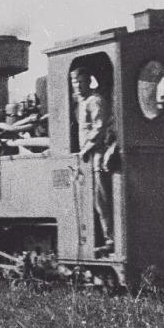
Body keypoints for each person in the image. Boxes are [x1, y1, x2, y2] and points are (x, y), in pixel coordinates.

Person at [70, 67, 114, 255]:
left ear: (89, 81)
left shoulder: (95, 101)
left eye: (81, 81)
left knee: (101, 200)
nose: (78, 86)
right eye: (74, 82)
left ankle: (110, 239)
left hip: (97, 154)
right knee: (95, 201)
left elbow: (99, 127)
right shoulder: (81, 102)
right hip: (88, 156)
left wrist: (85, 149)